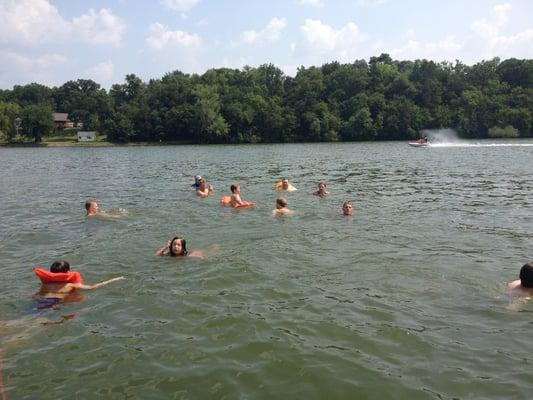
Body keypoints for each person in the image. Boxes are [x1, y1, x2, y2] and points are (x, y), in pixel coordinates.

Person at [34, 261, 125, 307]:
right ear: (68, 272)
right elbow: (92, 287)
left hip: (39, 301)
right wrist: (114, 279)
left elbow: (37, 294)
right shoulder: (70, 285)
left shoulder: (45, 285)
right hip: (53, 303)